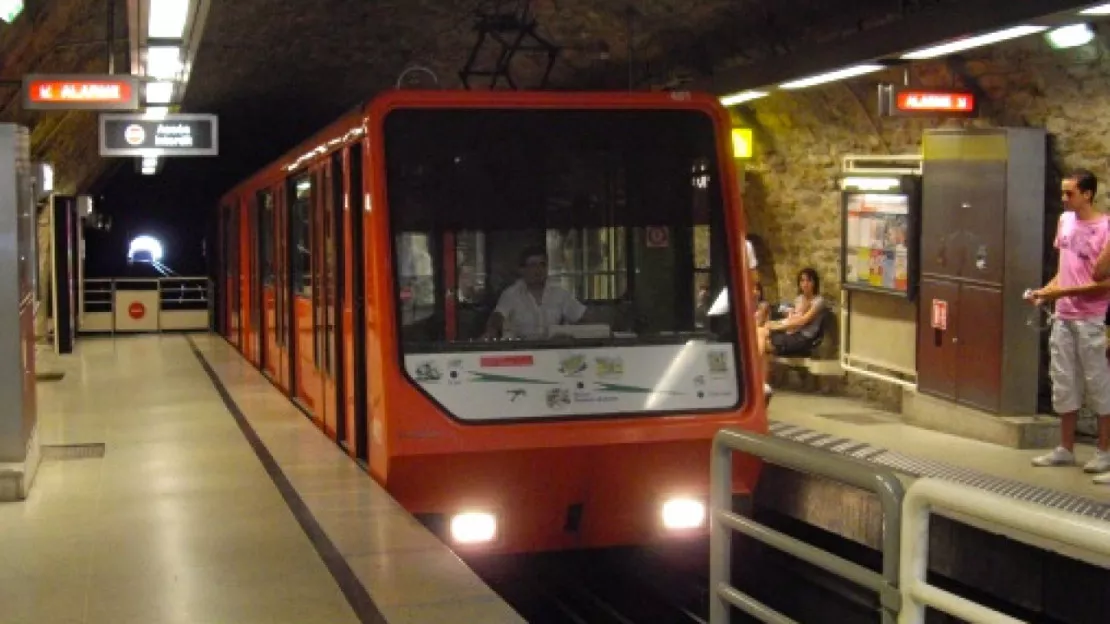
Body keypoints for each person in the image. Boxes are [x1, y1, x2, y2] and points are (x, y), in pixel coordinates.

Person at [1027, 169, 1110, 482]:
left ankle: (1104, 450)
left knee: (1099, 384)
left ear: (1087, 194)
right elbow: (1066, 271)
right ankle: (1066, 447)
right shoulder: (1065, 222)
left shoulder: (1105, 228)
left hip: (1092, 318)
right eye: (1063, 193)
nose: (1064, 199)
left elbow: (1103, 283)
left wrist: (1060, 292)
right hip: (1064, 314)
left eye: (1070, 193)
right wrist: (1046, 292)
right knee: (1064, 381)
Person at [484, 245, 587, 340]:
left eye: (542, 264)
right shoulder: (511, 294)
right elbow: (497, 317)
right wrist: (492, 330)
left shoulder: (560, 294)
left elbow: (583, 318)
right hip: (521, 353)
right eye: (533, 265)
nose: (539, 270)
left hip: (554, 353)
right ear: (522, 270)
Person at [756, 268, 826, 382]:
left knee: (761, 341)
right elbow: (792, 321)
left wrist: (776, 326)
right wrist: (774, 323)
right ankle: (762, 380)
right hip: (792, 333)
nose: (805, 284)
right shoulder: (799, 299)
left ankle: (760, 379)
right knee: (760, 334)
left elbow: (802, 321)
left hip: (804, 338)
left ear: (814, 283)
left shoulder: (818, 301)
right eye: (802, 281)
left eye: (808, 281)